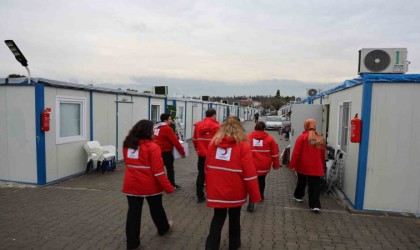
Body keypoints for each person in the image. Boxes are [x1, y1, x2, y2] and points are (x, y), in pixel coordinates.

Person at [205, 116, 262, 250]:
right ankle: (234, 244)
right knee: (235, 217)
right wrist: (255, 196)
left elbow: (207, 167)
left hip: (217, 189)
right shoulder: (243, 145)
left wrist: (208, 186)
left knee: (218, 217)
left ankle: (211, 246)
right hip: (235, 189)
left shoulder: (213, 143)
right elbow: (249, 173)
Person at [122, 120, 175, 250]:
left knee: (133, 214)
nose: (153, 132)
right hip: (150, 185)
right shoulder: (153, 147)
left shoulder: (127, 145)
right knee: (156, 208)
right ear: (148, 131)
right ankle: (163, 228)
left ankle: (132, 244)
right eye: (152, 130)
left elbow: (128, 164)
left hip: (132, 185)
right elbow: (158, 172)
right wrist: (169, 187)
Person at [288, 119, 326, 213]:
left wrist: (292, 165)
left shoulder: (302, 138)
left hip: (303, 165)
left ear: (306, 126)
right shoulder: (320, 138)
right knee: (315, 185)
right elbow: (322, 154)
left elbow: (296, 153)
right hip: (316, 166)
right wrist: (322, 165)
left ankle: (298, 196)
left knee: (301, 181)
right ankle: (315, 205)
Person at [246, 121, 281, 212]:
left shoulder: (248, 137)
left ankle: (251, 201)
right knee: (261, 180)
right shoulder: (270, 139)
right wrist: (276, 165)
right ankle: (260, 196)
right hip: (264, 165)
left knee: (252, 181)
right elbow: (274, 153)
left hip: (251, 164)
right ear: (264, 129)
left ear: (255, 128)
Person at [192, 108, 221, 203]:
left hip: (202, 155)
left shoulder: (198, 125)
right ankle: (213, 195)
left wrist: (198, 150)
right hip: (213, 155)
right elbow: (220, 141)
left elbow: (195, 140)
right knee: (214, 174)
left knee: (201, 174)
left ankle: (200, 196)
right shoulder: (216, 126)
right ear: (214, 115)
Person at [153, 113, 186, 189]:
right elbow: (175, 142)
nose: (171, 121)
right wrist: (182, 152)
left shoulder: (156, 127)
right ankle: (171, 185)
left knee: (158, 169)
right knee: (170, 169)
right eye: (170, 119)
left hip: (156, 152)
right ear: (165, 120)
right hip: (166, 152)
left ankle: (158, 184)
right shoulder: (167, 128)